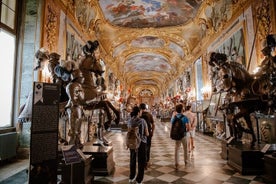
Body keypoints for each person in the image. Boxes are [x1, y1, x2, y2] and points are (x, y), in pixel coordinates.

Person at [128, 106, 149, 184]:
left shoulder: (129, 121)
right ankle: (139, 180)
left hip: (132, 142)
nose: (141, 113)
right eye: (140, 111)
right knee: (141, 161)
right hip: (141, 142)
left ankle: (131, 177)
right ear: (138, 112)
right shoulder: (142, 121)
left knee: (132, 159)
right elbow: (146, 133)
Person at [171, 103, 189, 170]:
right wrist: (186, 131)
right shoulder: (185, 117)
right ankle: (186, 161)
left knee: (177, 149)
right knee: (185, 148)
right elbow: (188, 127)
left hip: (176, 135)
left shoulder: (174, 117)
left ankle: (176, 163)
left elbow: (172, 125)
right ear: (182, 109)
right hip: (183, 135)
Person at [139, 103, 155, 169]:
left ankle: (142, 162)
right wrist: (152, 132)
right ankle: (147, 161)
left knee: (141, 147)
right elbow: (153, 124)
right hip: (148, 133)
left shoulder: (139, 115)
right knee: (148, 147)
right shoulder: (149, 114)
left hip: (140, 134)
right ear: (145, 108)